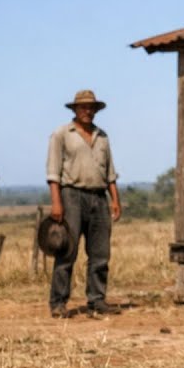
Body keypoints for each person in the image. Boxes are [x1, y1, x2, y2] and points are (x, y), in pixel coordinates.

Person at [46, 89, 123, 318]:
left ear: (96, 110)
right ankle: (58, 303)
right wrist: (57, 203)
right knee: (67, 252)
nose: (87, 111)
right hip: (71, 196)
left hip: (99, 197)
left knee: (100, 253)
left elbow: (110, 172)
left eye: (91, 108)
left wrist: (115, 200)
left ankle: (97, 300)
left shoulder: (102, 136)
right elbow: (53, 172)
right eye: (83, 107)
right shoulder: (62, 134)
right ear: (75, 110)